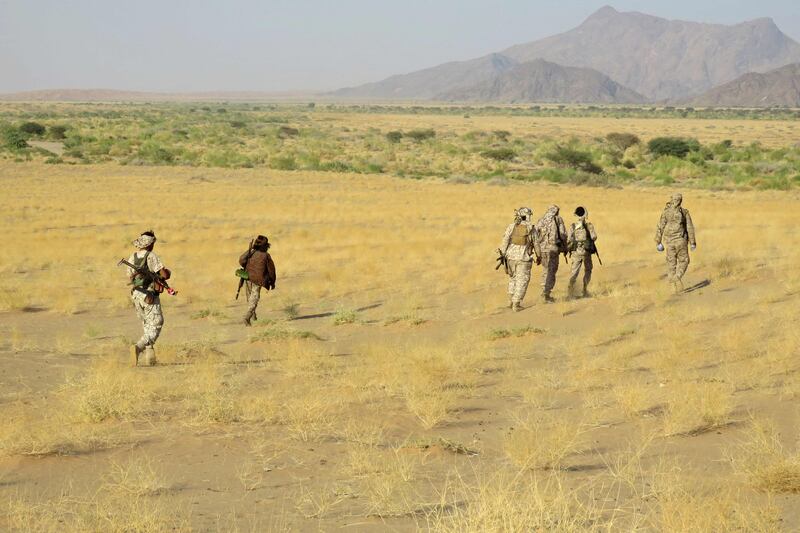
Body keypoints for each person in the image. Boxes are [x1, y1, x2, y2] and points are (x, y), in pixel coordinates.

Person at [126, 231, 170, 366]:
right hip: (149, 294)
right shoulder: (151, 256)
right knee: (157, 322)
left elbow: (129, 276)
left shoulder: (132, 257)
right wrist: (167, 273)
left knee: (147, 322)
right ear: (150, 245)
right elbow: (164, 274)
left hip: (136, 294)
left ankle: (150, 357)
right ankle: (138, 347)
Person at [499, 207, 541, 312]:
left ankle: (511, 301)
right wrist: (539, 256)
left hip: (510, 258)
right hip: (524, 259)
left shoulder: (511, 226)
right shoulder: (531, 228)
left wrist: (502, 254)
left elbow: (505, 241)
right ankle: (516, 304)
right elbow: (536, 244)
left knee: (513, 279)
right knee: (522, 281)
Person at [655, 193, 696, 292]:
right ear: (681, 200)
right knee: (684, 261)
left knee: (671, 264)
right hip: (681, 241)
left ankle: (673, 287)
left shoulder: (666, 212)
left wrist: (658, 242)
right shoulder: (684, 213)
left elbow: (660, 227)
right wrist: (692, 242)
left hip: (669, 243)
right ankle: (677, 277)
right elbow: (690, 228)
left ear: (672, 200)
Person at [239, 235, 276, 326]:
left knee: (250, 297)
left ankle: (253, 316)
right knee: (254, 298)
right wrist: (272, 281)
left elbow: (241, 261)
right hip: (258, 279)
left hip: (247, 277)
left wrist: (249, 250)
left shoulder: (251, 252)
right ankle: (247, 316)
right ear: (266, 246)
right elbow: (271, 270)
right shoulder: (266, 255)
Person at [535, 205, 568, 303]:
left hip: (542, 250)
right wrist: (565, 247)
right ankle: (546, 294)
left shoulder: (541, 220)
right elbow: (563, 235)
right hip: (553, 249)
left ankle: (543, 290)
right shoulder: (558, 220)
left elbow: (535, 234)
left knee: (545, 269)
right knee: (552, 271)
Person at [567, 206, 598, 298]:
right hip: (586, 253)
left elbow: (568, 239)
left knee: (574, 272)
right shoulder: (589, 225)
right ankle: (584, 290)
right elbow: (594, 237)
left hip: (575, 253)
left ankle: (570, 291)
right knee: (588, 270)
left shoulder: (572, 226)